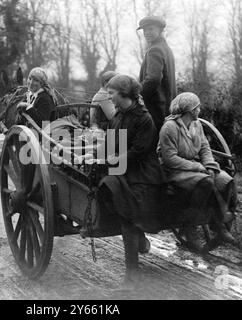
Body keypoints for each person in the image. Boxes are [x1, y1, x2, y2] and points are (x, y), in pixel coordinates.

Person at [95, 75, 166, 284]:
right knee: (106, 191)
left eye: (111, 93)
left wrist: (115, 159)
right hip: (121, 168)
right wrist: (97, 156)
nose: (108, 96)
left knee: (129, 218)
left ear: (124, 94)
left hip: (142, 172)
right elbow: (109, 143)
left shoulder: (144, 119)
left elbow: (140, 151)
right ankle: (138, 238)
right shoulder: (117, 117)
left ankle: (132, 275)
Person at [158, 92, 237, 251]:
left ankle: (218, 225)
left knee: (226, 180)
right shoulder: (170, 127)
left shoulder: (196, 125)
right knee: (205, 181)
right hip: (172, 170)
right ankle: (190, 227)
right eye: (197, 107)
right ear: (191, 110)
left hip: (195, 166)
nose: (199, 110)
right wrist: (199, 167)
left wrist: (209, 165)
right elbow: (170, 159)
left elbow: (204, 148)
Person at [0, 67, 57, 203]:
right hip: (26, 135)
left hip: (36, 139)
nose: (31, 83)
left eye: (36, 80)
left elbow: (43, 121)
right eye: (30, 79)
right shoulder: (32, 95)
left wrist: (28, 107)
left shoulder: (45, 98)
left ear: (42, 83)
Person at [138, 16, 176, 132]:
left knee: (152, 144)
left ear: (160, 30)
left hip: (155, 108)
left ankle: (113, 149)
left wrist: (136, 94)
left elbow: (153, 79)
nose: (147, 33)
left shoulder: (155, 50)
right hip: (168, 106)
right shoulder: (166, 49)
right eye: (145, 30)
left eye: (151, 29)